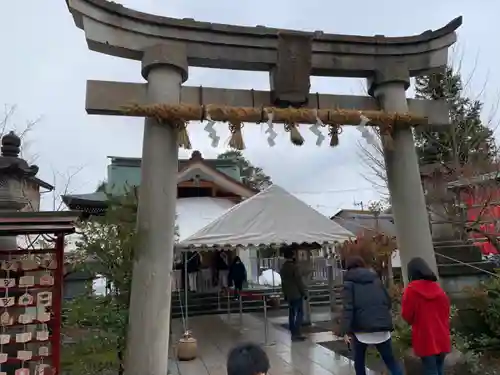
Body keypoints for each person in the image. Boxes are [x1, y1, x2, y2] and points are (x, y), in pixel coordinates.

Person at [340, 256, 402, 375]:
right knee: (391, 362)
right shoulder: (376, 280)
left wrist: (345, 331)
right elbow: (388, 302)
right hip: (382, 328)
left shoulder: (349, 284)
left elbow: (348, 309)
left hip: (361, 330)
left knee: (359, 362)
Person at [402, 257, 451, 375]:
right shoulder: (438, 289)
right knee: (439, 369)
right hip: (442, 336)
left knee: (430, 370)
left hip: (425, 338)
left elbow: (407, 315)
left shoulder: (411, 290)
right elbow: (446, 311)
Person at [280, 248, 307, 341]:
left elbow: (283, 283)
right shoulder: (294, 267)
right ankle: (297, 332)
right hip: (296, 294)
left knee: (291, 314)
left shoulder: (283, 268)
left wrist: (285, 294)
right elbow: (298, 281)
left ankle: (292, 332)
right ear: (292, 256)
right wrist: (304, 292)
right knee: (299, 313)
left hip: (289, 294)